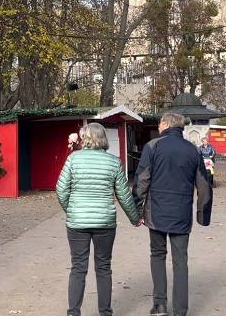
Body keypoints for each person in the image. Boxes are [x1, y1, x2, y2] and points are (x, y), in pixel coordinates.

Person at [132, 112, 213, 316]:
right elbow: (204, 184)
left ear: (166, 124)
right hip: (181, 212)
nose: (158, 125)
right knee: (180, 261)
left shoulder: (153, 146)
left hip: (156, 212)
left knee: (157, 255)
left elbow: (142, 179)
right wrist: (203, 215)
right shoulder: (193, 150)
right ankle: (180, 310)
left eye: (160, 123)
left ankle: (159, 304)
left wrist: (136, 209)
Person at [56, 123, 140, 316]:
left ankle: (73, 312)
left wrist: (71, 211)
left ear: (86, 139)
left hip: (77, 223)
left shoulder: (73, 160)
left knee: (78, 267)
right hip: (105, 223)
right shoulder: (114, 162)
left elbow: (61, 190)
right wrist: (135, 219)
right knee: (103, 267)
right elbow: (124, 195)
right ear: (103, 139)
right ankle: (105, 312)